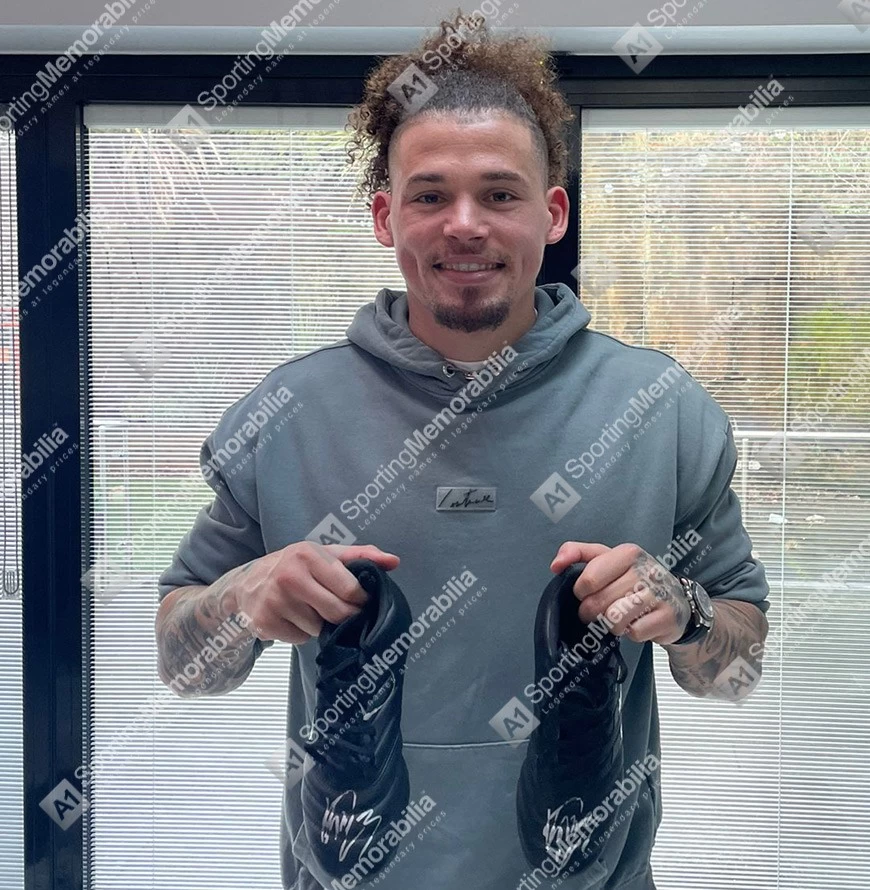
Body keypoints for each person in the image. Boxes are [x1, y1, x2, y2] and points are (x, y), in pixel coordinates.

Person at [155, 10, 770, 890]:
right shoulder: (286, 415)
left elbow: (738, 674)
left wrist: (687, 614)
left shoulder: (663, 412)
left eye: (501, 194)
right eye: (431, 195)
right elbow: (183, 667)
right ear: (386, 216)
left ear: (552, 214)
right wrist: (241, 597)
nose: (465, 225)